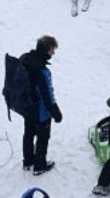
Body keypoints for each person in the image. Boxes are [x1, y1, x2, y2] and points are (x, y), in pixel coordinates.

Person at [19, 35, 62, 175]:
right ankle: (39, 165)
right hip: (41, 112)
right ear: (45, 51)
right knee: (43, 137)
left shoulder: (25, 60)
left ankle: (28, 161)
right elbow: (47, 97)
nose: (53, 53)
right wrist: (56, 113)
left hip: (27, 108)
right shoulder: (42, 71)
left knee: (29, 133)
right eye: (51, 50)